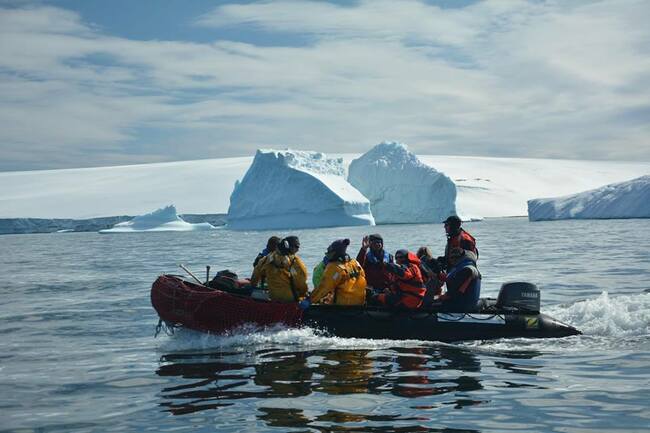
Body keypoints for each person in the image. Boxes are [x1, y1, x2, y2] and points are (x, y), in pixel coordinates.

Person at [301, 239, 367, 308]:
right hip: (359, 305)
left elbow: (324, 288)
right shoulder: (355, 263)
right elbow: (363, 279)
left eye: (329, 252)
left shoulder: (334, 267)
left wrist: (309, 300)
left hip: (342, 307)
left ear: (334, 252)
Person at [250, 236, 308, 302]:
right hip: (290, 299)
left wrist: (252, 287)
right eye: (296, 247)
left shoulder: (265, 259)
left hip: (274, 297)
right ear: (289, 247)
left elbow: (255, 277)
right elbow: (301, 283)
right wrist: (303, 296)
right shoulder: (295, 262)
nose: (298, 249)